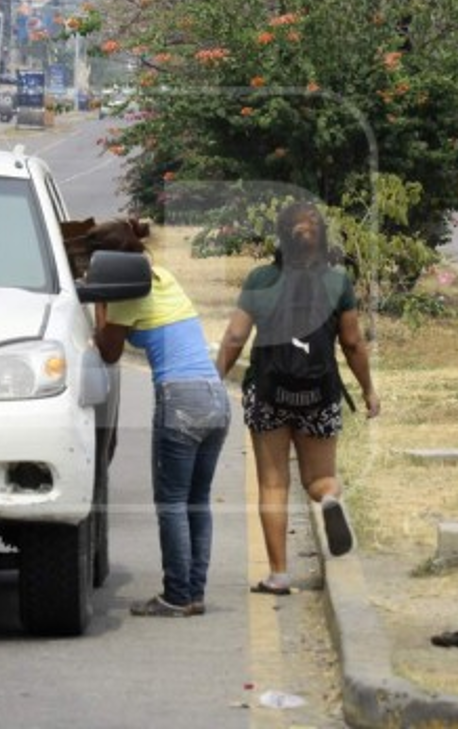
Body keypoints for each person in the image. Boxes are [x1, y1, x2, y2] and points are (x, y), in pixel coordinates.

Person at [215, 201, 380, 595]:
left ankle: (278, 575)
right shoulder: (337, 282)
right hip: (319, 394)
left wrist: (214, 378)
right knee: (320, 478)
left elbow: (235, 336)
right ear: (322, 239)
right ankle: (329, 499)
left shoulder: (261, 279)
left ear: (281, 239)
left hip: (268, 393)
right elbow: (352, 343)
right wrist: (368, 389)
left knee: (273, 484)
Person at [89, 218, 232, 619]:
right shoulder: (164, 277)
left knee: (171, 503)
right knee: (197, 502)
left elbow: (108, 351)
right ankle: (194, 593)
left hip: (179, 400)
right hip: (215, 397)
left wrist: (99, 299)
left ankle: (176, 595)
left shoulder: (125, 295)